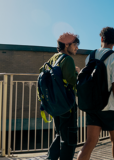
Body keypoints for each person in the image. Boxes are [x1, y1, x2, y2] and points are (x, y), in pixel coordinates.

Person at [77, 27, 114, 160]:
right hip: (110, 107)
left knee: (90, 142)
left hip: (92, 106)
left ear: (101, 39)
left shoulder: (90, 57)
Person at [41, 32, 80, 160]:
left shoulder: (53, 58)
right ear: (67, 44)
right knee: (69, 139)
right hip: (67, 105)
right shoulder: (67, 59)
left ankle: (50, 158)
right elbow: (73, 81)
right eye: (75, 44)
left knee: (60, 134)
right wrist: (77, 72)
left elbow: (41, 71)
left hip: (55, 104)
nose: (77, 48)